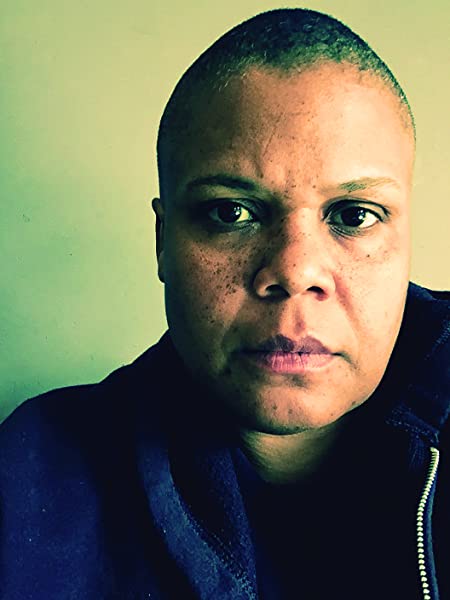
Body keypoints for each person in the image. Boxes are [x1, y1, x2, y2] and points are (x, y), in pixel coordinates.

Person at [0, 8, 449, 600]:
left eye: (354, 215)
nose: (294, 272)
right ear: (163, 241)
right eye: (231, 212)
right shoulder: (31, 481)